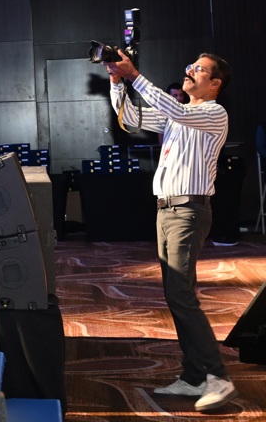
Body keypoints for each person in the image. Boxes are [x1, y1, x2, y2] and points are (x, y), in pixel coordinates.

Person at [106, 51, 237, 411]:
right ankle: (194, 377)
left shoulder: (213, 113)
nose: (189, 70)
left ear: (215, 83)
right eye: (191, 65)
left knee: (181, 294)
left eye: (199, 69)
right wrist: (117, 82)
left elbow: (177, 112)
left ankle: (218, 376)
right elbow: (129, 119)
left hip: (188, 211)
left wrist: (134, 75)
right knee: (176, 294)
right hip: (167, 211)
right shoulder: (178, 114)